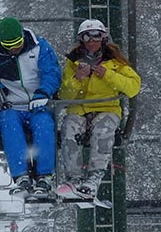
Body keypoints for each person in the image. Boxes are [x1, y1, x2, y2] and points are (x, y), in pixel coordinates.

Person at [56, 19, 141, 201]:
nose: (91, 41)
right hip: (79, 109)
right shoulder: (73, 62)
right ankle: (74, 178)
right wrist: (77, 79)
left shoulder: (115, 61)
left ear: (103, 38)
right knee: (69, 129)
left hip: (106, 108)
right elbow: (64, 94)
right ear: (81, 40)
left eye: (96, 36)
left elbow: (133, 87)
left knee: (103, 131)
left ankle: (94, 178)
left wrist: (108, 75)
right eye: (87, 37)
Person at [0, 16, 62, 200]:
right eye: (8, 45)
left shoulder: (40, 47)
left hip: (38, 102)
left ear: (23, 36)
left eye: (17, 43)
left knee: (43, 125)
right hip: (12, 104)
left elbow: (52, 72)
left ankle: (44, 175)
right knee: (9, 123)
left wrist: (43, 93)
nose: (14, 49)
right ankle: (21, 176)